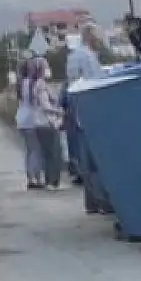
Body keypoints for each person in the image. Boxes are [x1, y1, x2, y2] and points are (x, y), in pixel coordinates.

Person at [16, 55, 64, 190]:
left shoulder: (22, 83)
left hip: (26, 119)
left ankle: (33, 177)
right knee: (43, 152)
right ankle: (41, 179)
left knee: (31, 150)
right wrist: (60, 112)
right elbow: (44, 105)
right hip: (39, 120)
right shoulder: (38, 84)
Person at [61, 27, 103, 183]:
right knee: (88, 146)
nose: (99, 41)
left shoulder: (78, 56)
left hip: (80, 103)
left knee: (81, 144)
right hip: (87, 105)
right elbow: (90, 80)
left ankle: (83, 174)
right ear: (89, 37)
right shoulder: (85, 56)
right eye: (97, 37)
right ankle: (90, 180)